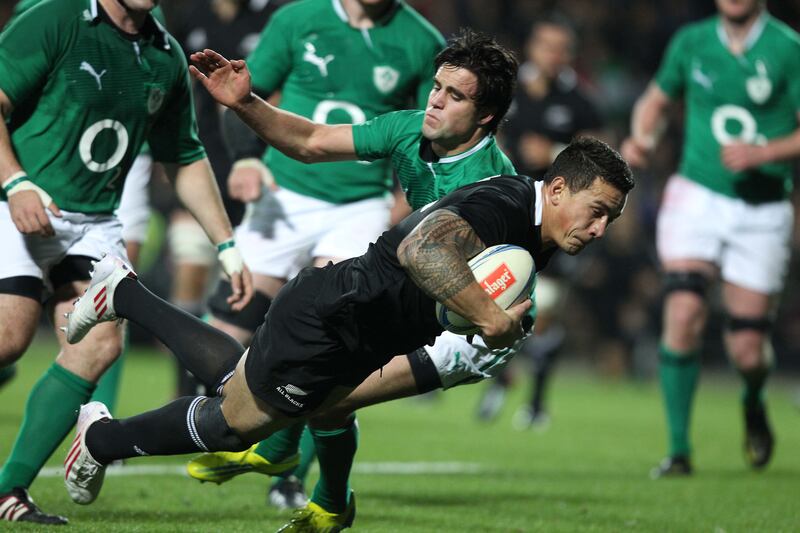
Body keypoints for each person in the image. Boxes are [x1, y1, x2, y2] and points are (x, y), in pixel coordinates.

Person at [61, 137, 633, 531]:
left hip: (361, 334)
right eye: (597, 210)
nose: (601, 228)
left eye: (611, 218)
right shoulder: (505, 204)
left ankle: (123, 297)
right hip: (333, 320)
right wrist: (489, 316)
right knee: (233, 426)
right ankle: (104, 428)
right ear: (558, 188)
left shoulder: (536, 230)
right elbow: (422, 249)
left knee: (253, 398)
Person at [185, 30, 523, 528]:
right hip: (422, 301)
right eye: (437, 87)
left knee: (329, 389)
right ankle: (315, 487)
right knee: (323, 369)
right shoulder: (409, 129)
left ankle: (307, 480)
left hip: (472, 325)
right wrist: (244, 103)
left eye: (455, 96)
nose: (435, 100)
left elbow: (496, 279)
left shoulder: (495, 188)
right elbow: (311, 141)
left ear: (486, 115)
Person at [0, 0, 253, 524]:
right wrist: (14, 181)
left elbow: (183, 155)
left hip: (93, 221)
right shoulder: (54, 18)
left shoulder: (164, 54)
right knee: (9, 337)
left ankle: (8, 490)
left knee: (99, 343)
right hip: (15, 200)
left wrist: (227, 245)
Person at [199, 0, 445, 509]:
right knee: (228, 323)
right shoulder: (298, 19)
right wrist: (245, 160)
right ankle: (209, 420)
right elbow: (242, 96)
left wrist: (404, 208)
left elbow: (434, 137)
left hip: (359, 205)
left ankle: (289, 474)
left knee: (333, 341)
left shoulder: (422, 41)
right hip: (282, 192)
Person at [621, 0, 800, 477]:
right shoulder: (692, 41)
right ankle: (679, 451)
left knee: (748, 351)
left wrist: (765, 153)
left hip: (763, 208)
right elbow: (655, 101)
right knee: (682, 313)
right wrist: (642, 138)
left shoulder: (788, 48)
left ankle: (754, 399)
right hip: (696, 194)